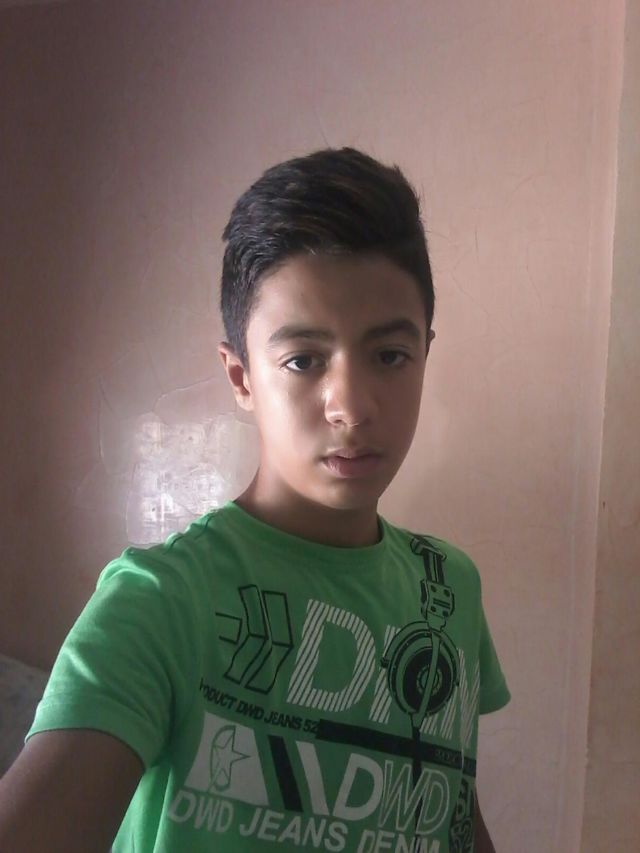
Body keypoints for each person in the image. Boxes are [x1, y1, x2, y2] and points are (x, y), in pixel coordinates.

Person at [0, 147, 510, 852]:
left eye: (390, 355)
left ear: (425, 352)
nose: (352, 406)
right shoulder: (161, 601)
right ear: (241, 377)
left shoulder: (449, 587)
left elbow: (447, 810)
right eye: (303, 360)